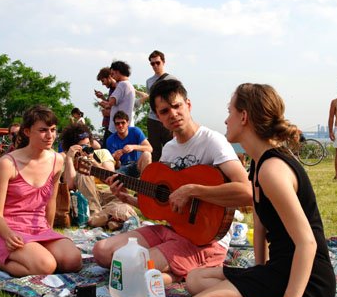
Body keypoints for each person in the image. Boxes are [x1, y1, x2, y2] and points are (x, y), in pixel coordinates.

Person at [182, 83, 336, 297]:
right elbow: (261, 222)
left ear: (243, 116)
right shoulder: (258, 164)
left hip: (308, 281)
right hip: (279, 269)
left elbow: (307, 242)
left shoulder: (272, 170)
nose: (225, 120)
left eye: (229, 111)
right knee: (195, 279)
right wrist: (259, 272)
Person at [93, 79, 252, 285]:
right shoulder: (169, 149)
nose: (173, 114)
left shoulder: (212, 141)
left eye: (177, 106)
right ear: (158, 116)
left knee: (128, 269)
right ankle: (174, 272)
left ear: (188, 105)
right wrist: (127, 199)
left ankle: (190, 269)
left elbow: (247, 191)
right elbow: (164, 203)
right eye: (165, 111)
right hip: (172, 230)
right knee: (102, 252)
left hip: (205, 241)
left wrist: (192, 190)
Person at [0, 105, 82, 277]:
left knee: (73, 260)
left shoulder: (56, 160)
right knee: (46, 266)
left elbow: (51, 201)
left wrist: (49, 232)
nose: (50, 136)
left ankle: (36, 254)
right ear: (27, 131)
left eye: (53, 130)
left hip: (39, 228)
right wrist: (8, 235)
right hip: (10, 230)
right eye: (43, 130)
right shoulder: (7, 163)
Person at [60, 123, 138, 230]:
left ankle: (104, 218)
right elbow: (69, 186)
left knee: (123, 196)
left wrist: (94, 163)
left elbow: (111, 178)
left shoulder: (102, 153)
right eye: (83, 146)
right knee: (83, 174)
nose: (87, 149)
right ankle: (100, 215)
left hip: (104, 194)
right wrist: (69, 159)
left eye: (88, 144)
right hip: (84, 199)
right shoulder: (66, 159)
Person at [136, 50, 177, 162]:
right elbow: (150, 99)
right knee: (154, 150)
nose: (155, 65)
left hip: (168, 118)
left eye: (157, 62)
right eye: (152, 63)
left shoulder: (172, 79)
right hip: (153, 118)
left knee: (171, 148)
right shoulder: (149, 81)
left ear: (163, 62)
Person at [106, 111, 153, 178]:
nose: (120, 125)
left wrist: (133, 147)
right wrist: (116, 159)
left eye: (123, 122)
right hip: (123, 168)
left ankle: (145, 182)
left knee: (147, 154)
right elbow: (116, 166)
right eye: (117, 123)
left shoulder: (135, 131)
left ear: (127, 123)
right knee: (114, 177)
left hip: (138, 165)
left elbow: (150, 148)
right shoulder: (110, 140)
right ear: (114, 125)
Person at [97, 61, 135, 134]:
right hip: (125, 125)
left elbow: (111, 102)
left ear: (117, 72)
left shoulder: (122, 84)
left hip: (118, 126)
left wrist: (105, 104)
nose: (112, 77)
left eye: (112, 74)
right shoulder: (129, 85)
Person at [95, 67, 117, 145]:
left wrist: (108, 112)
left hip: (115, 126)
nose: (103, 83)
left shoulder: (118, 88)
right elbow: (112, 104)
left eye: (103, 80)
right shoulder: (112, 89)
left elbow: (120, 108)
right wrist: (102, 98)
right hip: (110, 125)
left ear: (109, 77)